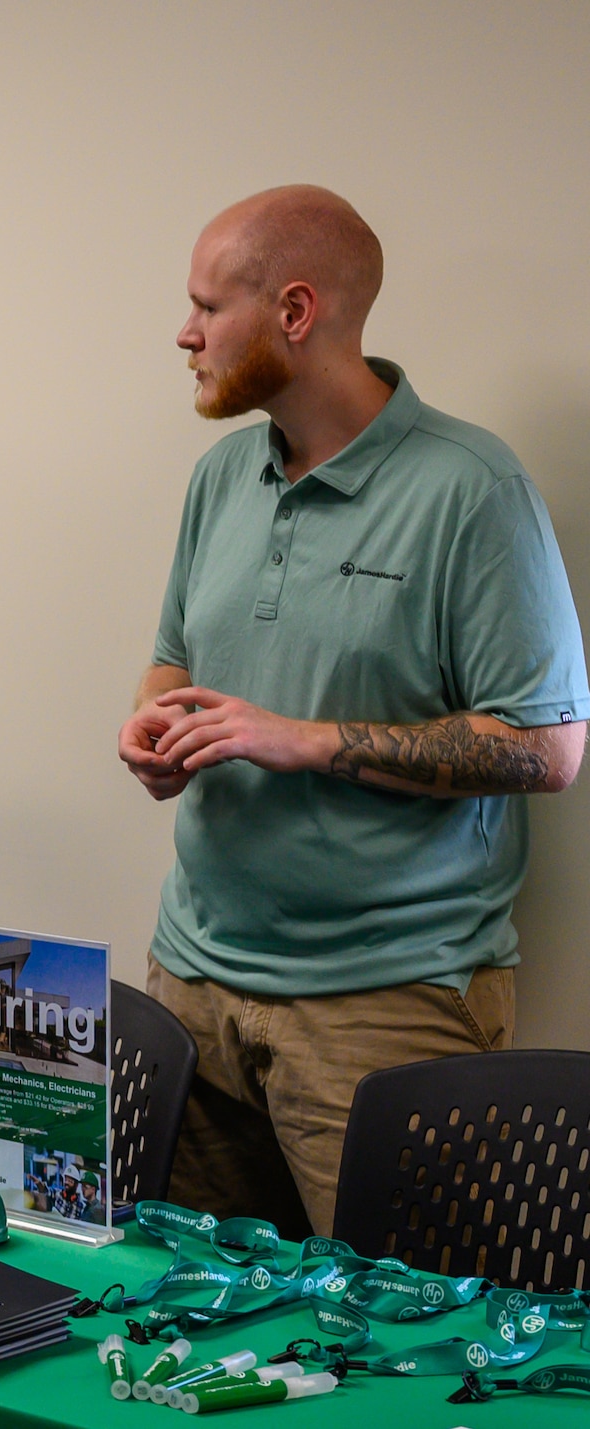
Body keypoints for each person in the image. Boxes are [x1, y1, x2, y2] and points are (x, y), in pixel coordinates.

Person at [118, 185, 588, 1238]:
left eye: (205, 306)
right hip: (190, 982)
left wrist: (307, 741)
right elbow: (171, 658)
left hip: (381, 1006)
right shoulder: (218, 478)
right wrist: (151, 725)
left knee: (400, 1349)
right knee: (193, 1328)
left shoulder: (471, 489)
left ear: (293, 313)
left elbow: (547, 748)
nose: (182, 333)